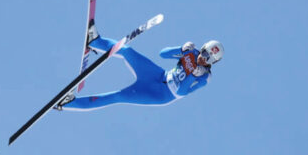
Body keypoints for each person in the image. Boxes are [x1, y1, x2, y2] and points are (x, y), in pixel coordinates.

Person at [56, 36, 224, 111]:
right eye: (205, 54)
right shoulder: (192, 54)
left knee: (118, 96)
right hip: (157, 75)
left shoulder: (204, 77)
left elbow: (181, 92)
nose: (204, 59)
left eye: (209, 60)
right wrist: (181, 49)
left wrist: (193, 75)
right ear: (202, 49)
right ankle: (95, 42)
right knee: (128, 51)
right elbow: (163, 54)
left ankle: (69, 103)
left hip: (160, 94)